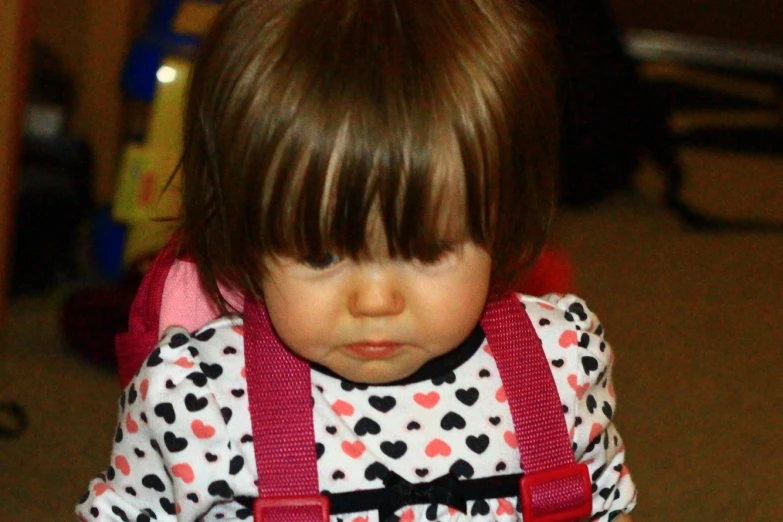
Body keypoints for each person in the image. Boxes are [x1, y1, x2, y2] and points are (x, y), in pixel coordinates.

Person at [76, 0, 637, 520]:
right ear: (244, 232)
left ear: (505, 220)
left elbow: (601, 497)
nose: (375, 301)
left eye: (428, 251)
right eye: (320, 254)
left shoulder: (559, 365)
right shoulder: (204, 401)